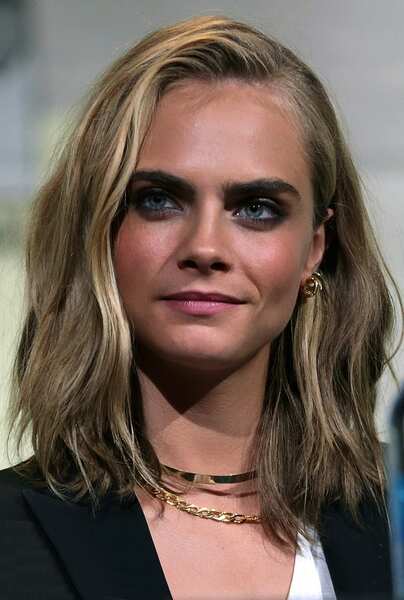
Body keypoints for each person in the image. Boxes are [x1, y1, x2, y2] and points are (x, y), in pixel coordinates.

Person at [0, 14, 399, 600]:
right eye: (159, 200)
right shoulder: (13, 537)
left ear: (315, 248)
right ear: (101, 232)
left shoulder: (394, 512)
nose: (205, 247)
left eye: (257, 208)